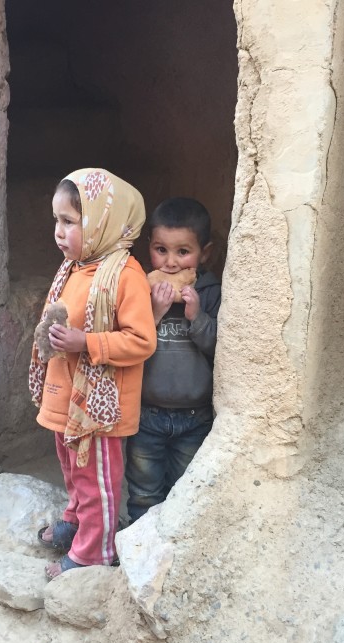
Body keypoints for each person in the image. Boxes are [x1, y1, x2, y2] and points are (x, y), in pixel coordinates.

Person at [29, 168, 156, 579]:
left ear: (104, 221)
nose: (58, 232)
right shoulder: (74, 267)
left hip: (99, 410)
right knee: (73, 470)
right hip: (66, 396)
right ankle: (76, 521)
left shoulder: (125, 276)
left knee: (96, 478)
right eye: (57, 221)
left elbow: (141, 341)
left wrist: (87, 343)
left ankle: (93, 552)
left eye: (69, 222)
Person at [125, 197, 221, 523]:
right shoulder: (140, 289)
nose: (170, 262)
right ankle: (137, 551)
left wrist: (198, 318)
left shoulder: (210, 293)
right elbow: (129, 344)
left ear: (204, 253)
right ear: (148, 247)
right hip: (146, 416)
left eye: (183, 251)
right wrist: (153, 313)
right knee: (143, 490)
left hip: (195, 419)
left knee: (185, 490)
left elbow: (221, 351)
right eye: (160, 249)